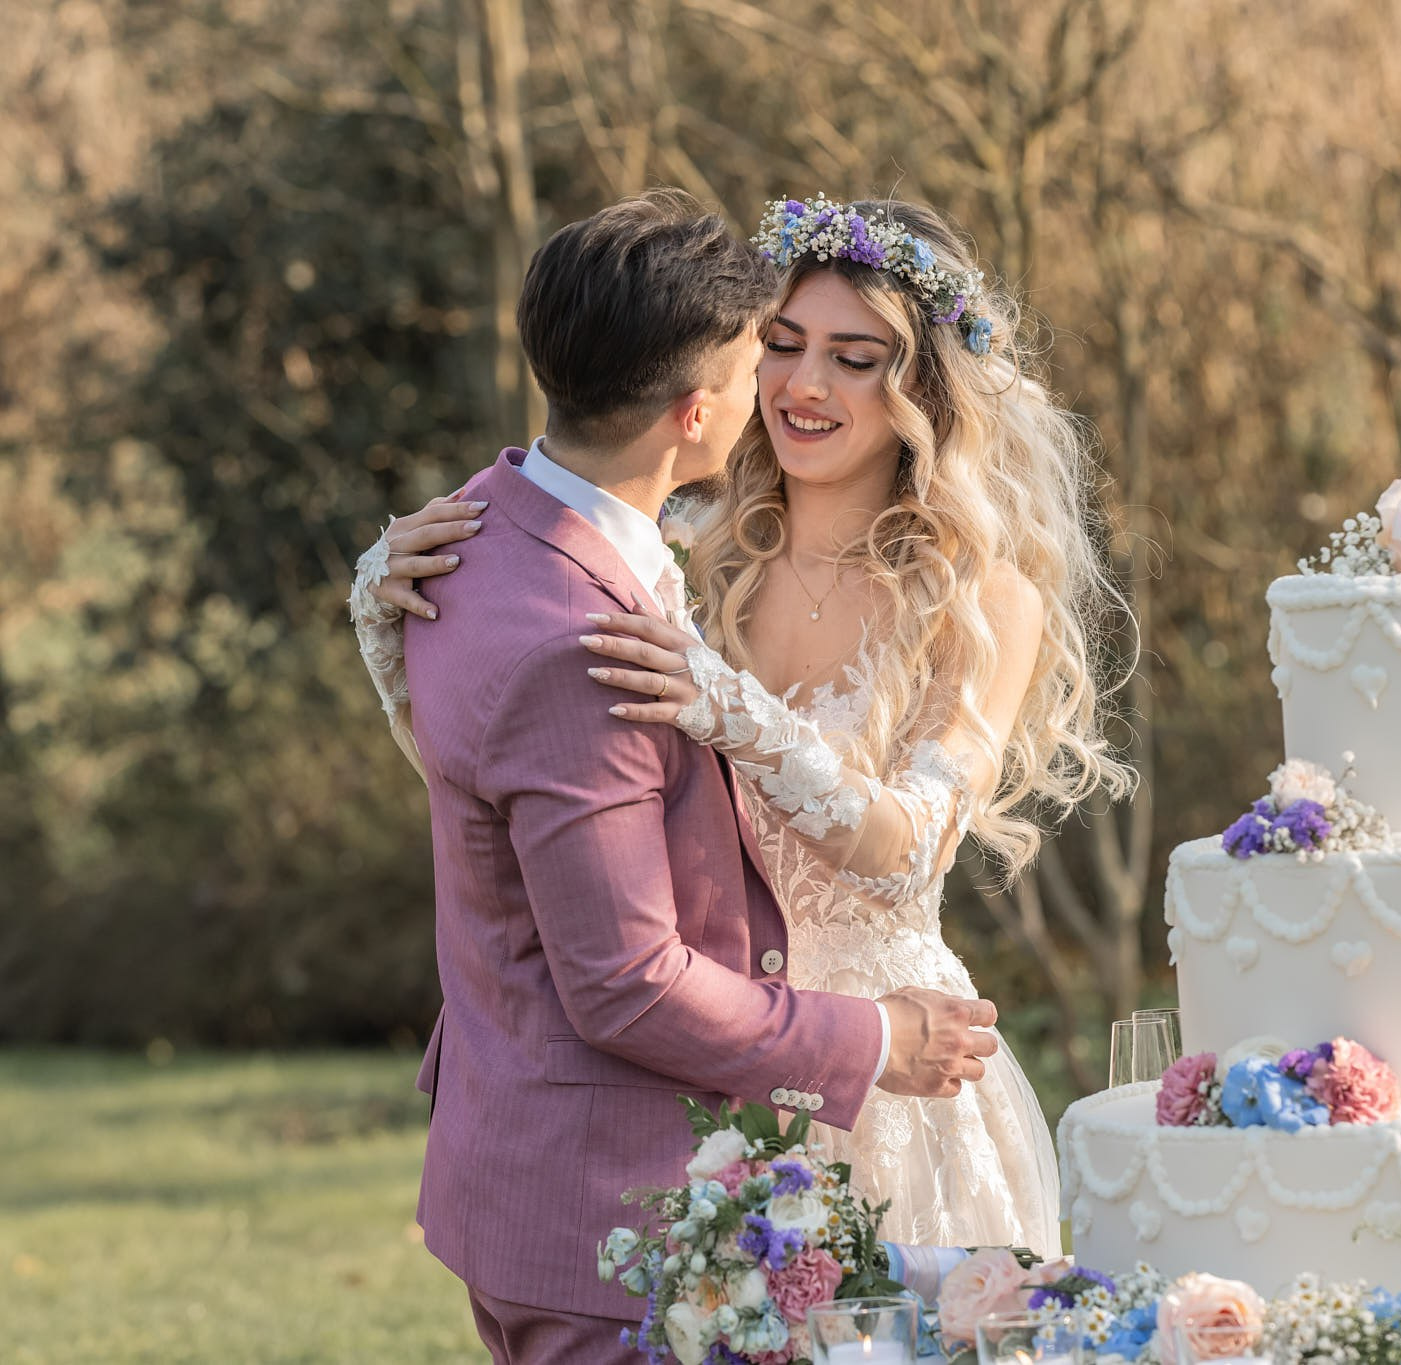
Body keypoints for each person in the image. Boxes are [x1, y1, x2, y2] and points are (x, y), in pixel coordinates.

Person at [354, 194, 1133, 1259]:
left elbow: (908, 850)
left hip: (895, 1078)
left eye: (856, 358)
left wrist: (737, 715)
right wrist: (395, 621)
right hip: (694, 1074)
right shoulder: (683, 545)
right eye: (780, 344)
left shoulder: (979, 599)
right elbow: (533, 774)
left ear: (923, 391)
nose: (804, 385)